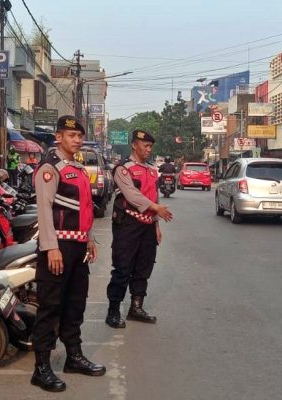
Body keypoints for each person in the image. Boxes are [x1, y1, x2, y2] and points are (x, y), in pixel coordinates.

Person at [30, 116, 105, 392]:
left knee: (75, 304)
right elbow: (45, 209)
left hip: (78, 248)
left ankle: (73, 356)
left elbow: (84, 209)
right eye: (71, 135)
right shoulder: (50, 169)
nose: (76, 140)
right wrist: (51, 248)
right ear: (58, 137)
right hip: (57, 248)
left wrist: (88, 239)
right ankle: (41, 368)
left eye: (79, 136)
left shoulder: (80, 169)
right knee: (50, 307)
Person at [106, 129, 173, 329]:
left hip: (148, 226)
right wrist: (156, 209)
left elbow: (154, 197)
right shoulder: (123, 169)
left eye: (151, 146)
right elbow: (131, 195)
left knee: (144, 267)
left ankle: (136, 307)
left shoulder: (152, 170)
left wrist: (156, 225)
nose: (148, 150)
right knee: (122, 268)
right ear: (134, 145)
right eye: (145, 146)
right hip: (128, 224)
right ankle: (113, 311)